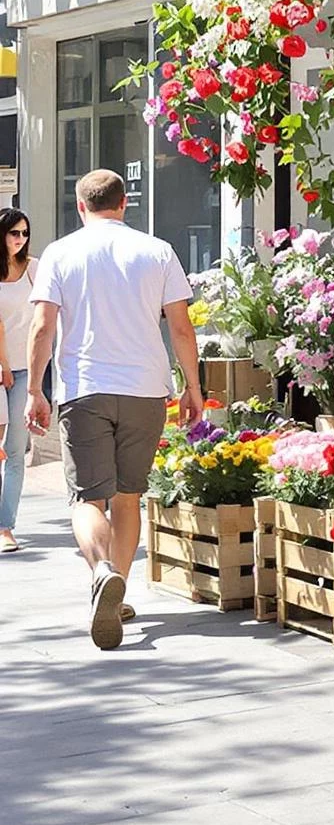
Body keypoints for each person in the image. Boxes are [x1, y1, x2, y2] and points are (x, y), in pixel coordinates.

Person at [26, 170, 202, 649]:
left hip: (85, 390)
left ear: (80, 207)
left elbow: (42, 328)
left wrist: (34, 391)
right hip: (146, 388)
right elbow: (182, 329)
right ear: (125, 204)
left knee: (87, 499)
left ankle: (103, 571)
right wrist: (193, 387)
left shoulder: (61, 253)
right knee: (128, 496)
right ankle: (118, 590)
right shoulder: (157, 250)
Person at [0, 207, 34, 551]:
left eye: (24, 233)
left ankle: (5, 527)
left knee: (15, 451)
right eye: (14, 233)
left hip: (26, 369)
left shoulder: (34, 270)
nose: (20, 239)